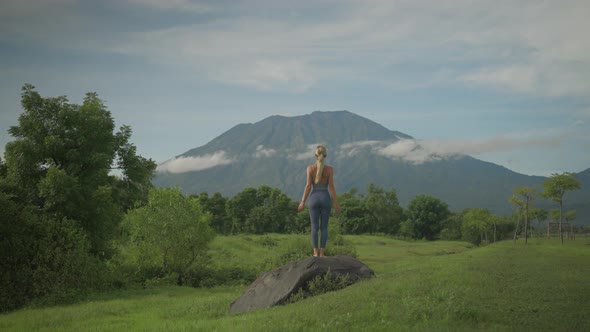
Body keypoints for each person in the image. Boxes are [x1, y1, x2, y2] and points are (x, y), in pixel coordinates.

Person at [298, 145, 341, 257]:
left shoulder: (310, 169)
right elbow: (331, 187)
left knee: (314, 227)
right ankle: (322, 253)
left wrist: (302, 201)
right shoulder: (330, 170)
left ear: (315, 155)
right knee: (324, 227)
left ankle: (315, 253)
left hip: (314, 198)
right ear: (325, 155)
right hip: (325, 198)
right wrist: (336, 203)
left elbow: (308, 186)